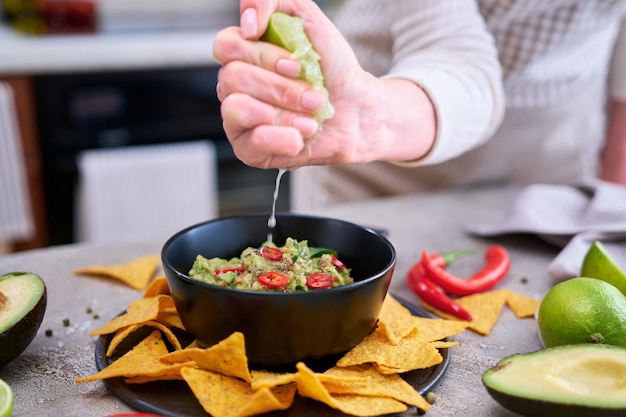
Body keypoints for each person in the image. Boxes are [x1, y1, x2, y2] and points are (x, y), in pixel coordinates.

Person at [213, 0, 626, 210]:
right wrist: (371, 119)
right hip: (381, 147)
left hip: (553, 154)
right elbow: (449, 50)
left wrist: (611, 204)